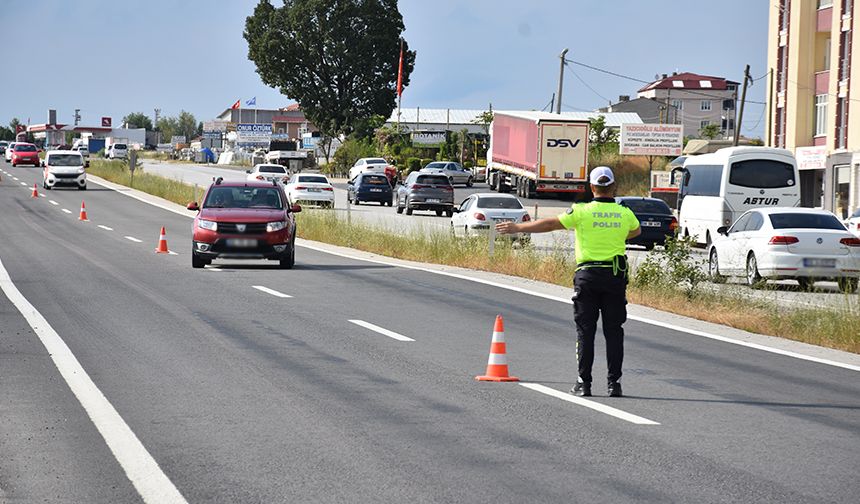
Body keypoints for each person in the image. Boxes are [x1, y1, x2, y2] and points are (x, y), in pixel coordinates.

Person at [496, 166, 640, 397]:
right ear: (613, 187)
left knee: (586, 331)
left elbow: (551, 224)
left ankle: (584, 383)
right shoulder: (625, 213)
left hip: (588, 276)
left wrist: (518, 227)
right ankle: (614, 384)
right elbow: (635, 231)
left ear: (592, 187)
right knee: (614, 332)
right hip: (614, 277)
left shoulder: (581, 211)